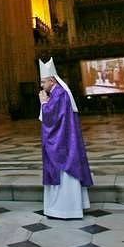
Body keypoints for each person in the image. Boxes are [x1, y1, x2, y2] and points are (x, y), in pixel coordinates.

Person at [38, 58, 93, 219]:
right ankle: (62, 208)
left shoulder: (59, 94)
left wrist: (43, 103)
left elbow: (51, 118)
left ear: (52, 80)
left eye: (43, 82)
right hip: (64, 141)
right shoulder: (57, 93)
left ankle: (65, 210)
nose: (42, 85)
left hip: (62, 144)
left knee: (64, 175)